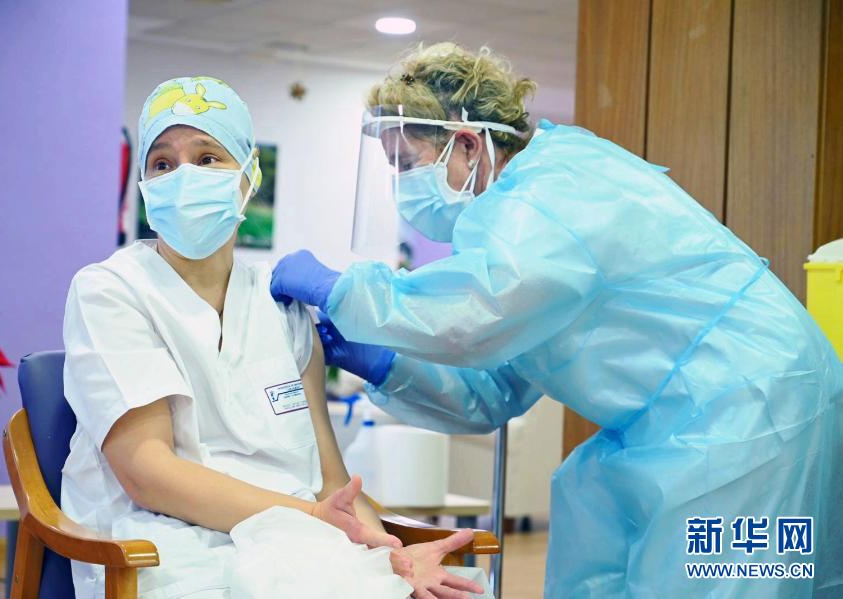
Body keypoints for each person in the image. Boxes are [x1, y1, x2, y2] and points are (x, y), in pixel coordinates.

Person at [270, 44, 843, 597]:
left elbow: (478, 311)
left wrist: (343, 290)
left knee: (715, 578)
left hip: (750, 405)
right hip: (677, 416)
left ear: (466, 144)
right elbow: (495, 389)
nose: (401, 185)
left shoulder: (555, 191)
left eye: (406, 163)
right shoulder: (514, 223)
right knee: (590, 509)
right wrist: (384, 363)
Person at [61, 76, 487, 599]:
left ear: (249, 175)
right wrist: (311, 518)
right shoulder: (111, 290)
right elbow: (148, 474)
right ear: (146, 185)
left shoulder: (281, 304)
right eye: (163, 164)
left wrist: (388, 553)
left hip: (300, 543)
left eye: (208, 157)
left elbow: (332, 481)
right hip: (163, 547)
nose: (184, 176)